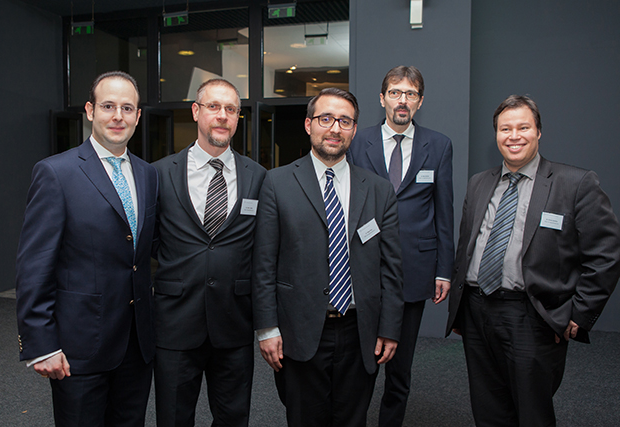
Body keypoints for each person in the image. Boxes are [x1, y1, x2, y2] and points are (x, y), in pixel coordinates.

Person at [446, 95, 620, 426]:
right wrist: (460, 306)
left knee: (532, 412)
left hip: (532, 315)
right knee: (488, 408)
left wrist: (580, 312)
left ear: (538, 131)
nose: (514, 136)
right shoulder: (479, 182)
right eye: (505, 129)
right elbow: (466, 246)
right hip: (477, 311)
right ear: (496, 134)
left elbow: (606, 254)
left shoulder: (574, 183)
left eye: (523, 127)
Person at [253, 87, 404, 427]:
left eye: (345, 121)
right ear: (309, 124)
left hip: (360, 331)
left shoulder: (379, 190)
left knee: (353, 419)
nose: (335, 128)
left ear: (354, 129)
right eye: (326, 119)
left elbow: (392, 267)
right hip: (299, 329)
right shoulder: (277, 183)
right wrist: (266, 328)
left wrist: (390, 328)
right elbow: (263, 264)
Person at [15, 71, 158, 426]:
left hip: (136, 346)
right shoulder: (56, 173)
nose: (118, 116)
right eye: (108, 106)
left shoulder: (148, 175)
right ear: (90, 111)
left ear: (138, 116)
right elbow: (34, 266)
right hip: (79, 347)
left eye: (127, 108)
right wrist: (41, 344)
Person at [152, 78, 266, 427]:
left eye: (231, 109)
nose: (222, 116)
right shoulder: (159, 174)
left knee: (233, 418)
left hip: (234, 321)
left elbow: (262, 245)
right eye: (213, 106)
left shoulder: (258, 177)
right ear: (195, 111)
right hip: (175, 321)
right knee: (173, 418)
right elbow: (151, 240)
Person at [347, 65, 454, 427]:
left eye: (410, 93)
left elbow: (444, 211)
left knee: (400, 366)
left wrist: (444, 270)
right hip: (363, 267)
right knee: (360, 363)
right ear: (382, 99)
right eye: (395, 92)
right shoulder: (357, 141)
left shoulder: (438, 145)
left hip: (414, 269)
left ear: (420, 101)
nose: (402, 100)